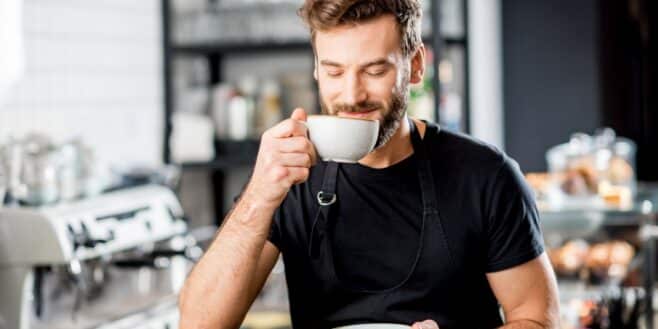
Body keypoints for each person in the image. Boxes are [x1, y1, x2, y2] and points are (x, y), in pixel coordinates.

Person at [178, 0, 560, 328]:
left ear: (415, 67)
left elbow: (539, 318)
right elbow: (199, 323)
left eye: (375, 71)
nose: (351, 94)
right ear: (315, 69)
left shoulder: (485, 176)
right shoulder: (286, 179)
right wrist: (258, 196)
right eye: (334, 71)